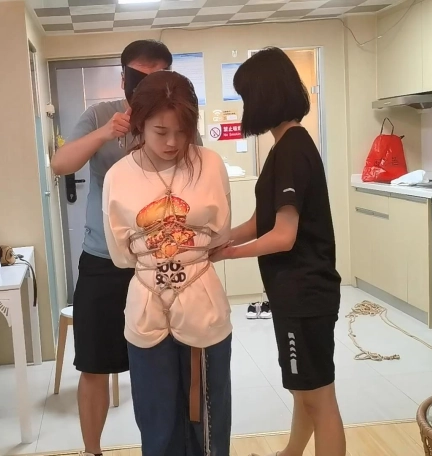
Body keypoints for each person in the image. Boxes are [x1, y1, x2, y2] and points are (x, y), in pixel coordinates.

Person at [50, 40, 201, 456]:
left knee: (167, 364)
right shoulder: (100, 114)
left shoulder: (178, 121)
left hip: (162, 262)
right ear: (123, 80)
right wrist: (106, 132)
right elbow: (61, 164)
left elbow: (198, 175)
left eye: (158, 77)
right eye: (138, 77)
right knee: (94, 365)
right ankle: (92, 450)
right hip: (103, 259)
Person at [211, 47, 346, 456]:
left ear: (264, 97)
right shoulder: (285, 146)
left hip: (305, 294)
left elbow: (283, 236)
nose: (245, 108)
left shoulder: (291, 150)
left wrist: (228, 255)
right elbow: (263, 221)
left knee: (319, 398)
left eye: (246, 97)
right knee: (304, 389)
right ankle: (290, 452)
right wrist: (221, 239)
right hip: (298, 293)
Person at [102, 70, 232, 456]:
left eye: (182, 131)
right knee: (157, 421)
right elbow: (120, 254)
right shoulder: (118, 175)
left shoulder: (211, 164)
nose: (172, 142)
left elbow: (221, 234)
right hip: (146, 307)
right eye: (161, 132)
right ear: (140, 123)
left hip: (202, 302)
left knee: (208, 422)